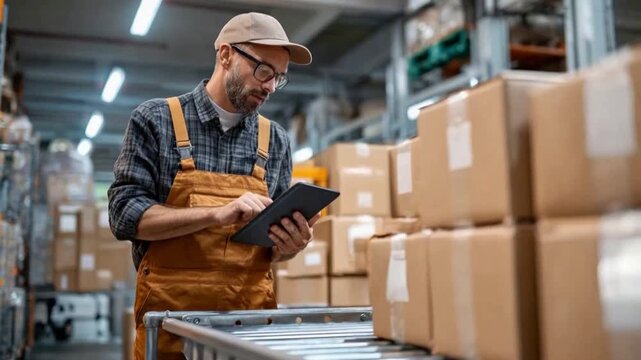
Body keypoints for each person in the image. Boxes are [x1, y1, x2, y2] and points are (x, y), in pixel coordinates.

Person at [107, 12, 316, 360]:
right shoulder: (156, 121)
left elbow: (271, 249)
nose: (269, 86)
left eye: (278, 78)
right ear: (225, 55)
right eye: (263, 70)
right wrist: (218, 215)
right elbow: (125, 216)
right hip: (171, 328)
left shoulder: (275, 140)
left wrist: (291, 245)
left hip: (248, 333)